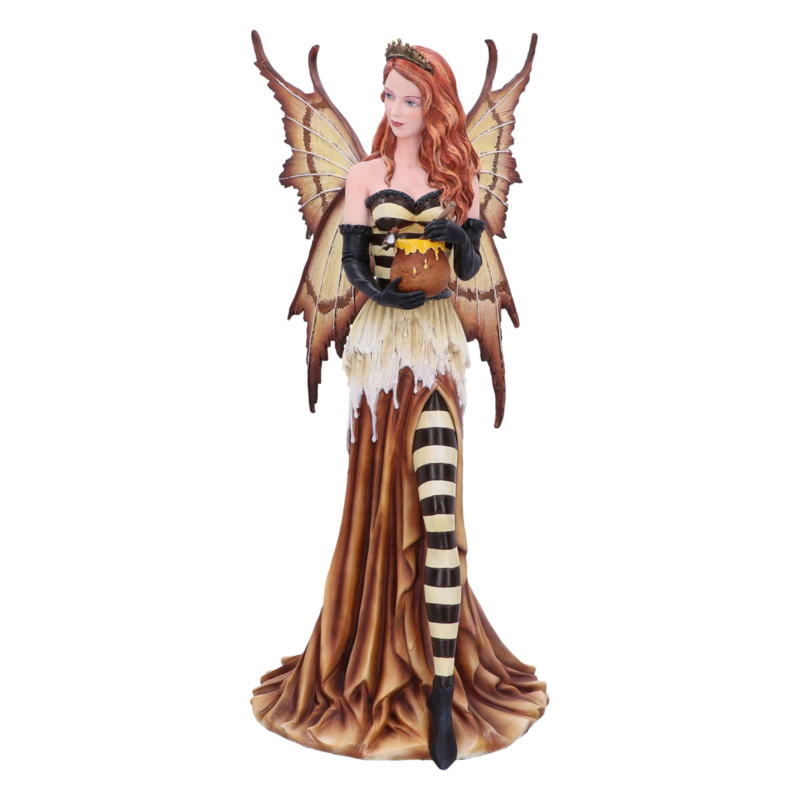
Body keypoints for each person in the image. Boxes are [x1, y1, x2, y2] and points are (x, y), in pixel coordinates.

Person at [251, 40, 548, 770]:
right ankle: (385, 654)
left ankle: (443, 692)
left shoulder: (457, 178)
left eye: (410, 99)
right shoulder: (364, 176)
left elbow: (470, 263)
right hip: (382, 357)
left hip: (438, 352)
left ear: (435, 104)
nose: (396, 110)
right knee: (386, 504)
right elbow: (352, 262)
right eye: (389, 96)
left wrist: (456, 235)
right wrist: (384, 285)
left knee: (440, 511)